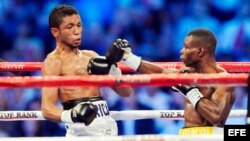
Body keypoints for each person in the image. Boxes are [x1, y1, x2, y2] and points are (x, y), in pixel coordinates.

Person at [106, 28, 236, 135]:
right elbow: (162, 74)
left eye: (186, 47)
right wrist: (128, 58)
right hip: (186, 134)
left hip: (211, 136)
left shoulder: (223, 80)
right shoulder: (188, 72)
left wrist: (189, 90)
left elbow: (216, 116)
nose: (181, 51)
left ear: (200, 51)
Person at [41, 4, 132, 136]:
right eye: (70, 26)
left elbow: (126, 92)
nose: (77, 31)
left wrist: (113, 71)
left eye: (79, 25)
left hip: (108, 127)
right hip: (81, 132)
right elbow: (47, 109)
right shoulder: (53, 62)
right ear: (56, 32)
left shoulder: (92, 56)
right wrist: (72, 115)